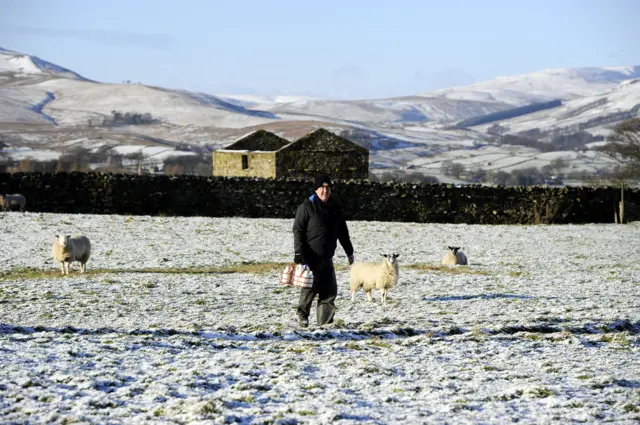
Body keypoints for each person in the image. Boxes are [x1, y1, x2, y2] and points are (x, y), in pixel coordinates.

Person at [292, 174, 354, 328]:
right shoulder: (307, 206)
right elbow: (298, 230)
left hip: (327, 257)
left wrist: (349, 251)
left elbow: (342, 231)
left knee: (329, 292)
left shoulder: (335, 208)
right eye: (322, 187)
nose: (325, 191)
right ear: (316, 189)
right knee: (309, 289)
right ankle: (303, 316)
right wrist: (299, 253)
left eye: (327, 188)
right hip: (310, 256)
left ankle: (324, 323)